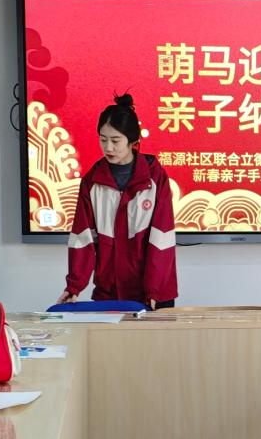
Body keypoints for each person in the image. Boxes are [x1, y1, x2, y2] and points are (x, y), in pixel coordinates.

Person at [61, 92, 177, 309]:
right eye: (103, 139)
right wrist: (74, 286)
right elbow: (82, 237)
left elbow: (162, 237)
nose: (108, 148)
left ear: (133, 141)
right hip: (110, 291)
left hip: (153, 292)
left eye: (115, 141)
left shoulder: (155, 178)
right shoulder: (92, 181)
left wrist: (154, 289)